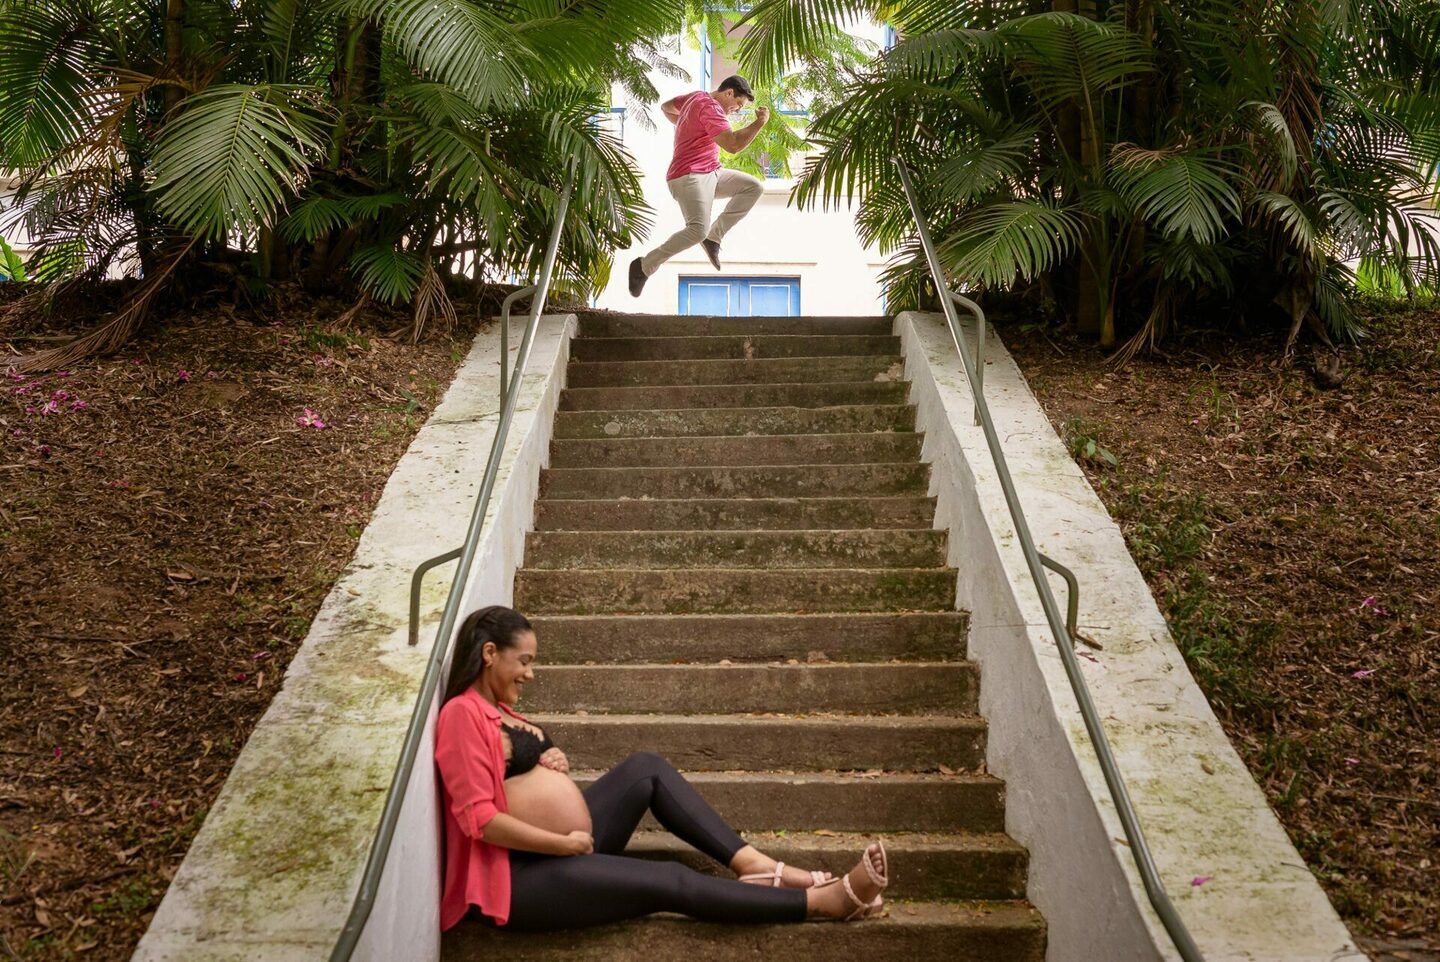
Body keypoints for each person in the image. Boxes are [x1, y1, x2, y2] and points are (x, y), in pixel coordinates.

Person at [435, 605, 890, 932]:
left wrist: (551, 761)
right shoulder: (461, 714)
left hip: (562, 850)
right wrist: (562, 843)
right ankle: (819, 903)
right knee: (669, 878)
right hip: (513, 881)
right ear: (490, 652)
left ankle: (754, 865)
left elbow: (517, 774)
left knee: (646, 767)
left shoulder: (505, 713)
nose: (531, 674)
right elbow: (480, 820)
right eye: (525, 661)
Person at [628, 76, 770, 297]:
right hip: (689, 176)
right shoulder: (710, 107)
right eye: (738, 105)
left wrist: (689, 124)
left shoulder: (695, 97)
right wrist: (759, 123)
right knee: (696, 230)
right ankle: (644, 266)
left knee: (753, 187)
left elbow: (666, 107)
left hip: (711, 172)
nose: (735, 110)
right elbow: (733, 145)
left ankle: (714, 237)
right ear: (728, 93)